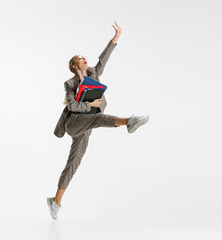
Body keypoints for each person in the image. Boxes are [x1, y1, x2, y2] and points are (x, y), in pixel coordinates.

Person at [46, 21, 149, 220]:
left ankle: (55, 202)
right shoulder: (69, 83)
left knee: (74, 163)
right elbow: (71, 106)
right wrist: (91, 106)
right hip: (74, 123)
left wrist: (116, 36)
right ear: (75, 65)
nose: (85, 60)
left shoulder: (93, 73)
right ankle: (129, 121)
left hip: (88, 125)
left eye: (85, 58)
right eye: (80, 59)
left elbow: (104, 58)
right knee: (98, 117)